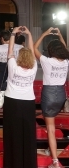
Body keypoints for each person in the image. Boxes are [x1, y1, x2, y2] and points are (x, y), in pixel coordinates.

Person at [34, 27, 69, 168]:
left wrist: (44, 34)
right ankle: (51, 148)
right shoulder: (66, 61)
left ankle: (55, 161)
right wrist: (60, 35)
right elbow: (65, 48)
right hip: (61, 94)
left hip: (49, 94)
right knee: (52, 126)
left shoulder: (47, 61)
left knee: (51, 128)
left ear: (50, 50)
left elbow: (34, 47)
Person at [3, 26, 38, 168]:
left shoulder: (13, 66)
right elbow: (32, 52)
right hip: (28, 103)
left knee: (12, 134)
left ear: (19, 57)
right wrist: (29, 34)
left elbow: (9, 50)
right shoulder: (34, 67)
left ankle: (12, 163)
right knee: (28, 135)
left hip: (12, 102)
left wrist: (13, 33)